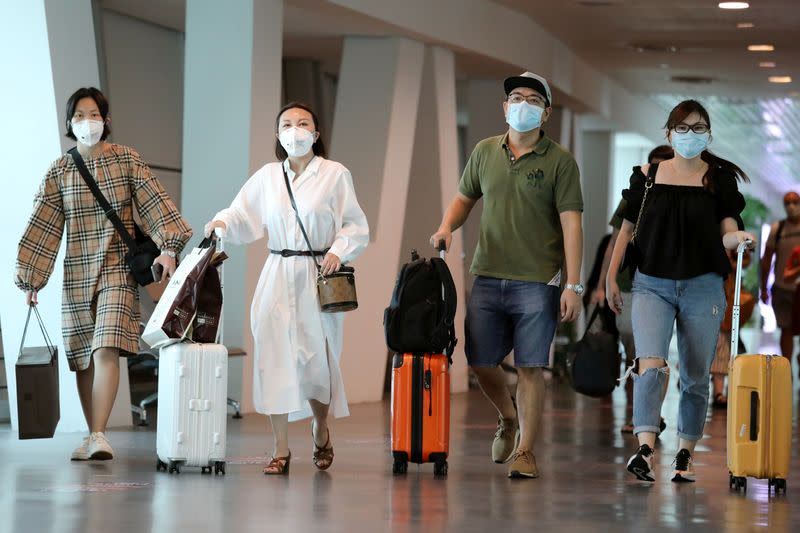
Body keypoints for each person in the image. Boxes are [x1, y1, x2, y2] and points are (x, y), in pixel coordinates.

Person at [15, 87, 192, 460]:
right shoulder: (60, 171)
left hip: (116, 270)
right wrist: (32, 279)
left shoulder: (126, 159)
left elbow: (156, 203)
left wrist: (170, 249)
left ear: (106, 120)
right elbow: (43, 225)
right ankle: (92, 433)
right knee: (82, 355)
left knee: (104, 348)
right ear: (69, 123)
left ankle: (98, 433)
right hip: (76, 271)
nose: (87, 122)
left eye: (93, 114)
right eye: (79, 116)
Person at [430, 72, 583, 479]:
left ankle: (527, 451)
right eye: (516, 97)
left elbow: (572, 224)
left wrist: (573, 284)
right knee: (480, 361)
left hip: (538, 280)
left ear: (546, 112)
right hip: (488, 273)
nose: (522, 105)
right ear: (504, 107)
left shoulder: (560, 162)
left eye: (533, 99)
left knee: (531, 367)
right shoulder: (483, 151)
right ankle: (508, 417)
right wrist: (447, 227)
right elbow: (464, 199)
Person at [204, 102, 369, 476]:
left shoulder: (334, 174)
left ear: (316, 132)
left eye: (303, 123)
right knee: (273, 359)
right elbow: (242, 213)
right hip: (277, 273)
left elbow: (355, 225)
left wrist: (338, 252)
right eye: (287, 124)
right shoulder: (267, 176)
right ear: (277, 134)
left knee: (318, 363)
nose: (295, 130)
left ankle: (320, 427)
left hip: (316, 276)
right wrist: (221, 223)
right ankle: (280, 449)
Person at [606, 99, 755, 484]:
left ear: (709, 134)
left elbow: (727, 229)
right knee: (649, 365)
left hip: (703, 285)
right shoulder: (648, 176)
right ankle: (645, 448)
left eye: (698, 127)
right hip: (651, 283)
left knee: (694, 375)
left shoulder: (718, 179)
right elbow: (624, 232)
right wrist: (609, 279)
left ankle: (685, 453)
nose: (691, 135)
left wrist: (738, 238)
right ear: (669, 133)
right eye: (683, 128)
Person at [593, 144, 673, 433]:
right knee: (633, 354)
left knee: (653, 353)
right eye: (653, 166)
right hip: (629, 284)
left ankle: (651, 415)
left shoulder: (681, 198)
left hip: (663, 284)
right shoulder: (635, 195)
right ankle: (638, 413)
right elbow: (615, 242)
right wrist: (606, 281)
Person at [710, 249, 754, 408]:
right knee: (720, 347)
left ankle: (718, 391)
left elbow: (747, 260)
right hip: (715, 299)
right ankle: (718, 391)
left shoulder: (734, 248)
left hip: (726, 303)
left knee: (722, 347)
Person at [760, 191, 800, 361]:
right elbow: (766, 259)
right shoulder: (778, 229)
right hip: (782, 288)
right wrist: (763, 288)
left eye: (795, 202)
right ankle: (787, 368)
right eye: (787, 203)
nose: (791, 206)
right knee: (786, 329)